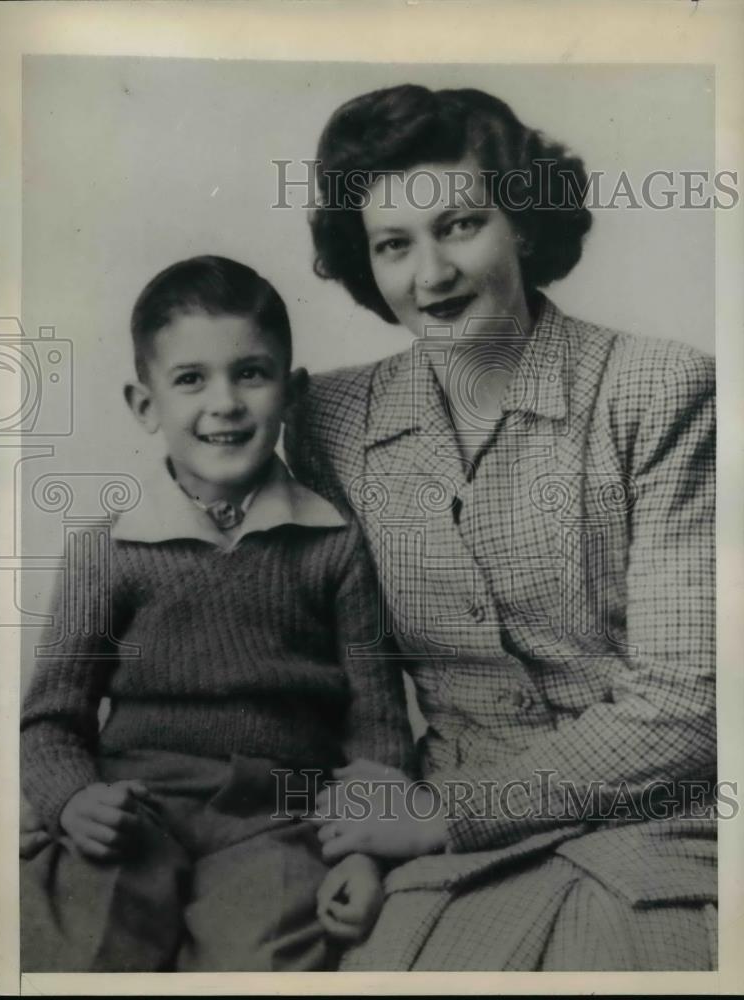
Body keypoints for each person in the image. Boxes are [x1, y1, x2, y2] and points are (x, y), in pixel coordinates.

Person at [285, 84, 717, 971]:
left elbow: (689, 705)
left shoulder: (658, 391)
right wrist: (368, 834)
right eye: (393, 245)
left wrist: (439, 814)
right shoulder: (328, 423)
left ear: (521, 222)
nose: (430, 276)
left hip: (656, 829)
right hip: (437, 862)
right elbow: (329, 661)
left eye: (459, 225)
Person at [19, 255, 415, 972]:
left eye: (251, 373)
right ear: (146, 406)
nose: (225, 402)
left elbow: (377, 729)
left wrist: (365, 856)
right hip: (138, 806)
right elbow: (51, 721)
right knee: (71, 941)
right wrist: (71, 802)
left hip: (281, 816)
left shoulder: (333, 545)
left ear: (290, 392)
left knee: (268, 959)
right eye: (191, 379)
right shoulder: (106, 552)